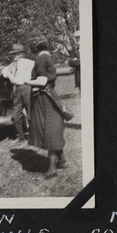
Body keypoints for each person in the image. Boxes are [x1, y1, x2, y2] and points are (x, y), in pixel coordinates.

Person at [26, 38, 74, 178]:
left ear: (34, 49)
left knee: (50, 130)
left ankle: (52, 169)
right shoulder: (48, 56)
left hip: (45, 97)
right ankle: (62, 161)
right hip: (50, 94)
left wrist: (23, 80)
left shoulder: (40, 59)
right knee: (54, 127)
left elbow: (41, 81)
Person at [1, 43, 32, 139]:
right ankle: (20, 136)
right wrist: (10, 76)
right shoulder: (13, 65)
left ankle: (34, 135)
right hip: (17, 90)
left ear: (21, 54)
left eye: (15, 54)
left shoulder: (30, 63)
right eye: (12, 54)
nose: (13, 56)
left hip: (27, 88)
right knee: (15, 115)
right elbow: (3, 71)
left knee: (31, 113)